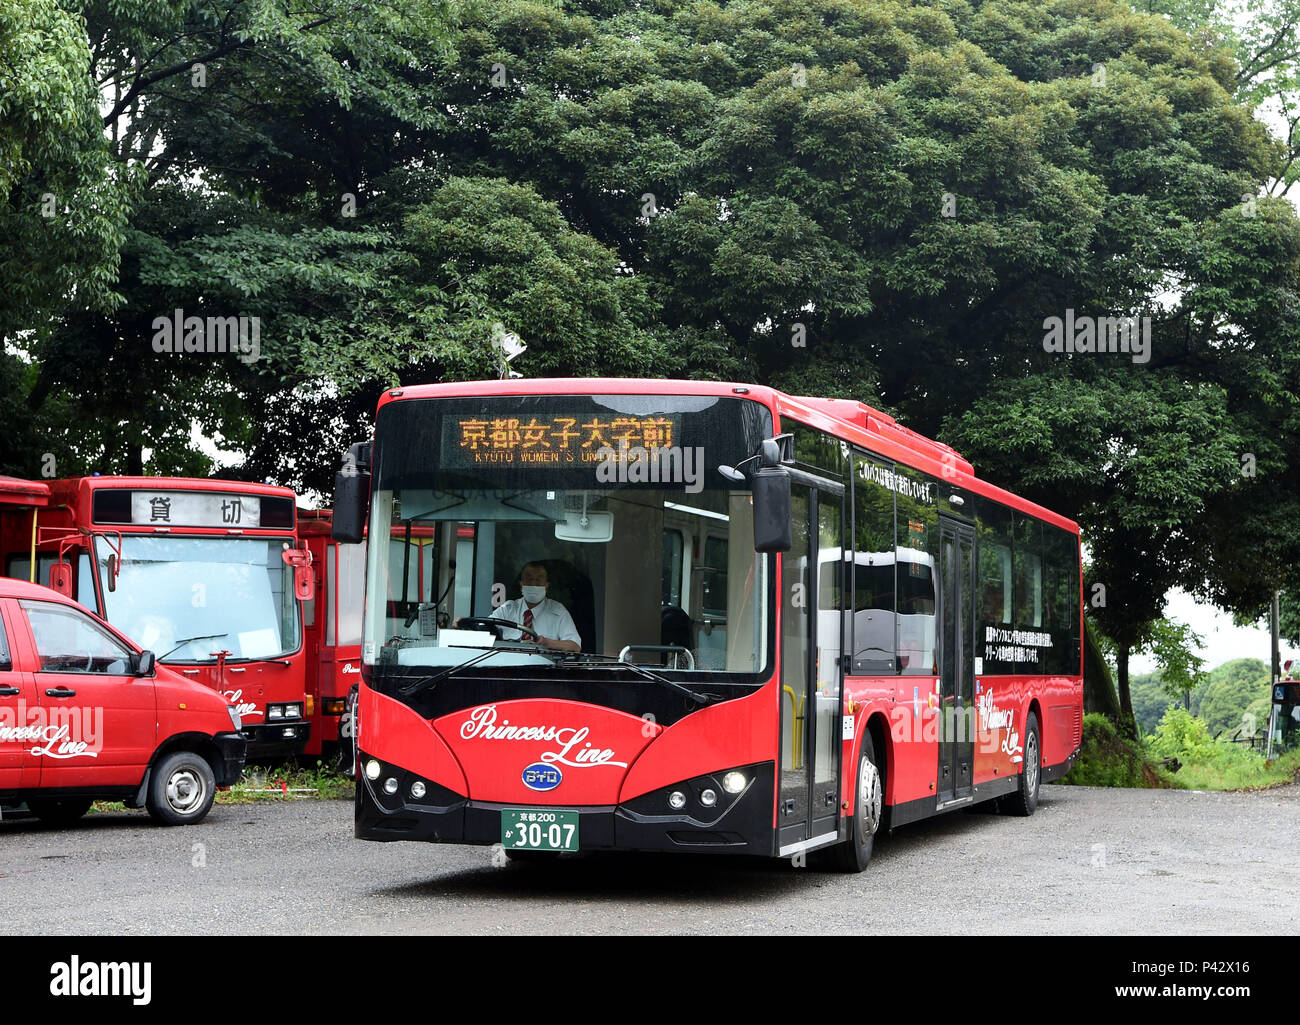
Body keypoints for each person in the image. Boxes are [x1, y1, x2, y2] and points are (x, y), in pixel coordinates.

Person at [491, 562, 581, 652]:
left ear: (547, 585)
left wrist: (547, 643)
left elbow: (575, 646)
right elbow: (483, 630)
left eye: (538, 579)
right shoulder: (507, 609)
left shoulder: (558, 611)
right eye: (529, 579)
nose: (533, 583)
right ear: (521, 584)